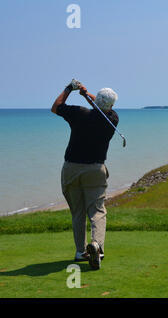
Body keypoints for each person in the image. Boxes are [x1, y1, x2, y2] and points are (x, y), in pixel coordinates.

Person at [51, 80, 119, 270]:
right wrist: (86, 94)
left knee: (78, 212)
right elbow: (100, 108)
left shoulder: (79, 113)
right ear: (111, 106)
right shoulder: (113, 119)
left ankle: (81, 252)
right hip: (95, 170)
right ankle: (97, 245)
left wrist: (69, 89)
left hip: (72, 168)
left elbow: (56, 107)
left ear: (96, 100)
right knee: (97, 211)